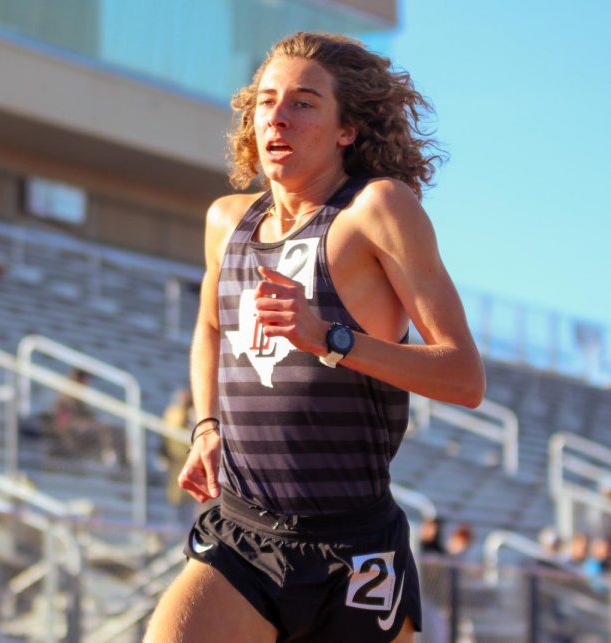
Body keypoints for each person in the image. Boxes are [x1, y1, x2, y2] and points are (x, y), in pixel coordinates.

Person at [145, 32, 485, 643]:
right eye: (267, 100)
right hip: (244, 536)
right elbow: (209, 327)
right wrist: (206, 427)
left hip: (354, 552)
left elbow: (464, 376)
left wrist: (330, 337)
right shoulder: (227, 221)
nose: (277, 116)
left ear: (346, 129)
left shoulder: (377, 210)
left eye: (304, 102)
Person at [161, 388, 195, 526]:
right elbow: (168, 434)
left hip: (191, 459)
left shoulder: (195, 413)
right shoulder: (175, 412)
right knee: (176, 495)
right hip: (177, 458)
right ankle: (177, 526)